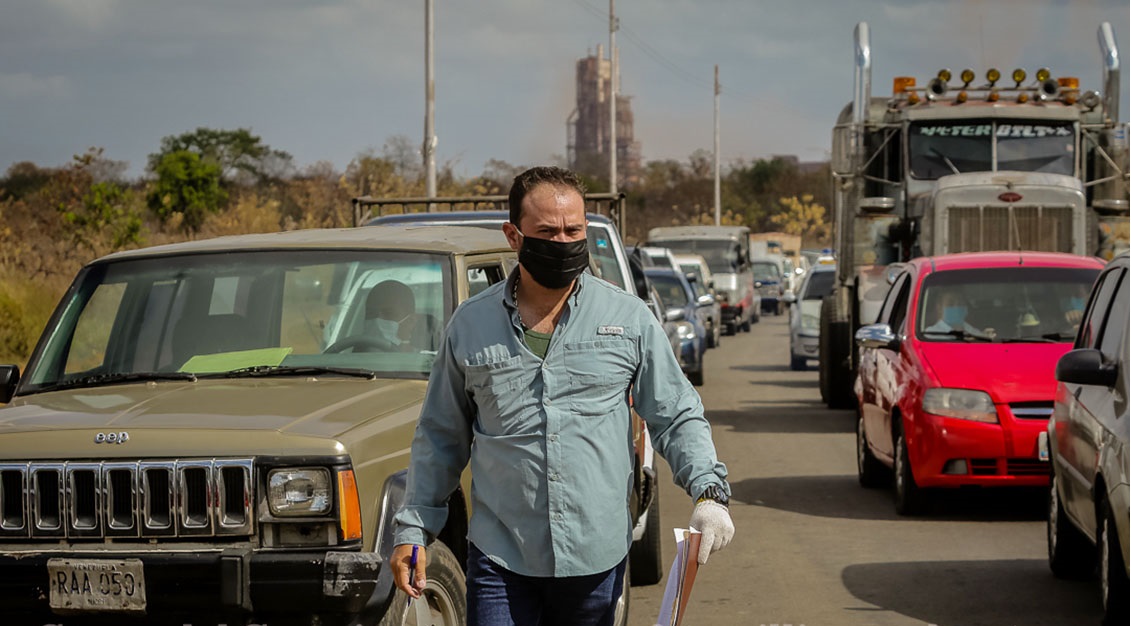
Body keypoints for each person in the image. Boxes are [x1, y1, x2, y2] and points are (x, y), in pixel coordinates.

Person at [390, 166, 734, 625]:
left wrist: (708, 493)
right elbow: (440, 436)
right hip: (501, 556)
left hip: (595, 557)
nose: (562, 242)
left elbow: (676, 414)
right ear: (514, 236)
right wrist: (413, 529)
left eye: (573, 230)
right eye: (547, 232)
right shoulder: (470, 326)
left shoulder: (627, 318)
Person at [923, 288, 987, 337]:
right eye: (950, 303)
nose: (956, 307)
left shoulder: (974, 333)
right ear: (939, 307)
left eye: (960, 303)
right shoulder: (931, 334)